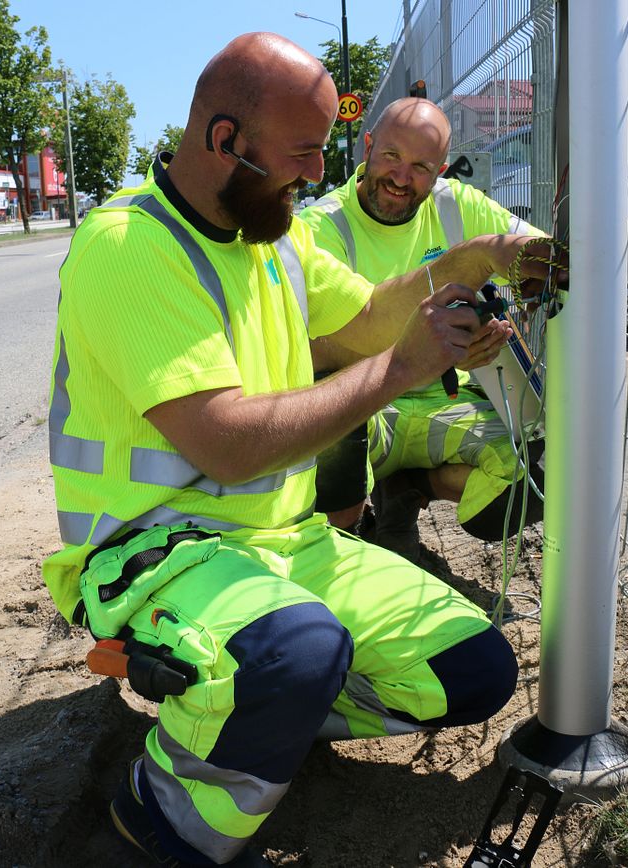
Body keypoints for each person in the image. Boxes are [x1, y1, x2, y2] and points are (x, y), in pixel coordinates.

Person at [43, 33, 563, 867]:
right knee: (294, 650)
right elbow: (230, 444)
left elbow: (364, 321)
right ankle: (159, 819)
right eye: (304, 152)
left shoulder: (275, 236)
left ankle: (255, 710)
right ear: (224, 140)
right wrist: (400, 371)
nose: (321, 175)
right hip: (154, 551)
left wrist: (471, 262)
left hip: (288, 545)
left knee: (474, 670)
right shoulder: (129, 248)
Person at [301, 98, 551, 560]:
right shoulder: (320, 226)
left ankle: (410, 488)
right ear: (367, 148)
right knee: (324, 418)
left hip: (447, 405)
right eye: (392, 157)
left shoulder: (457, 206)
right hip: (370, 406)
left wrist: (506, 313)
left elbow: (533, 255)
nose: (401, 177)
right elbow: (319, 350)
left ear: (439, 171)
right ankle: (345, 545)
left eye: (420, 166)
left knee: (545, 475)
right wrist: (433, 348)